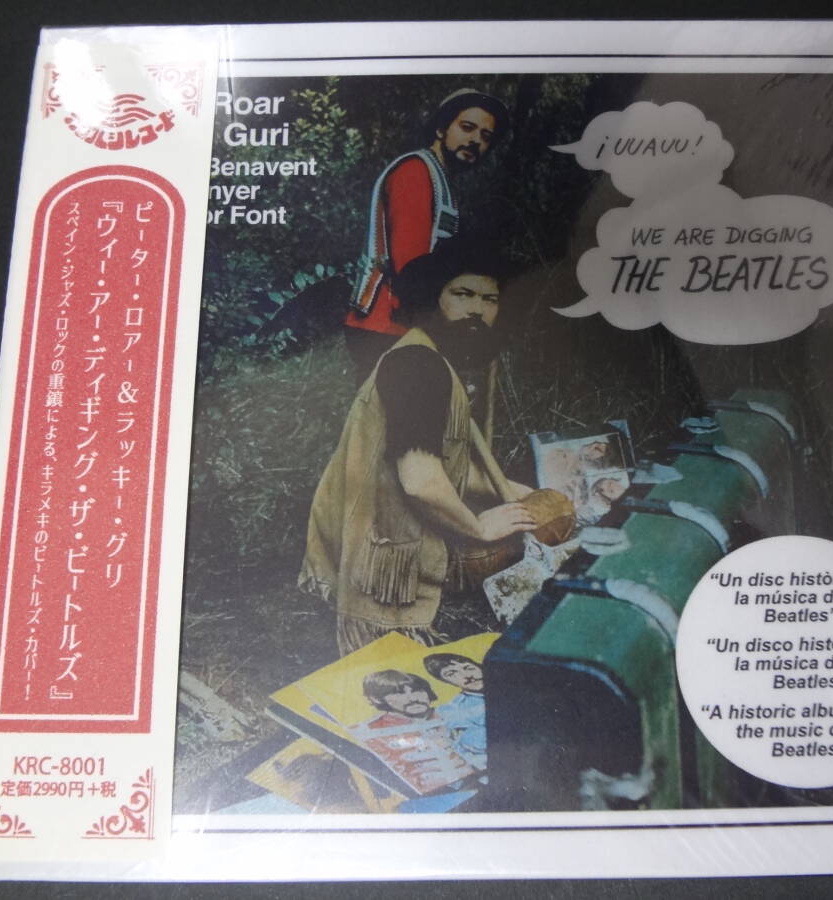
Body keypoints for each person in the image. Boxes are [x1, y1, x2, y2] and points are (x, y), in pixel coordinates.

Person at [301, 241, 533, 654]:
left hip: (372, 534)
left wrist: (522, 495)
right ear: (432, 298)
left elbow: (448, 465)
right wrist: (479, 527)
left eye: (489, 299)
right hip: (376, 553)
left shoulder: (430, 358)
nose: (477, 309)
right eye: (463, 294)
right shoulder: (419, 366)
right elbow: (422, 481)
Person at [345, 89, 510, 382]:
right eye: (467, 127)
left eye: (486, 136)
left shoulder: (438, 178)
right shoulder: (415, 172)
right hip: (387, 324)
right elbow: (412, 267)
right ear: (440, 129)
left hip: (401, 323)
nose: (476, 140)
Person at [352, 670, 473, 794]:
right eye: (399, 693)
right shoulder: (367, 732)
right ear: (377, 698)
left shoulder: (452, 713)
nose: (413, 698)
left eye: (418, 690)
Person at [423, 653, 487, 771]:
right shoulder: (452, 711)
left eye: (468, 668)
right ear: (446, 681)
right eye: (451, 674)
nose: (467, 676)